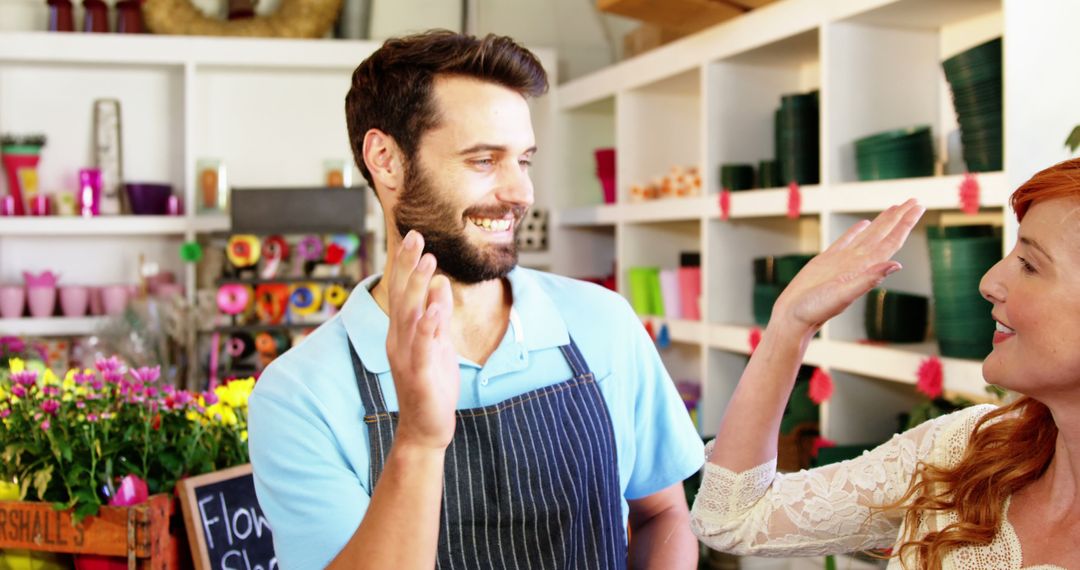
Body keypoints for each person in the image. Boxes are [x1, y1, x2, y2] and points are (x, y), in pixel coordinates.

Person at [248, 30, 704, 569]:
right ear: (386, 160)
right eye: (485, 160)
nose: (522, 192)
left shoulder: (601, 322)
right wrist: (418, 439)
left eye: (524, 161)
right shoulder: (300, 395)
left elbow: (662, 514)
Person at [690, 158, 1080, 569]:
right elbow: (731, 518)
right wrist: (790, 324)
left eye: (1030, 265)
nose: (988, 282)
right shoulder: (964, 451)